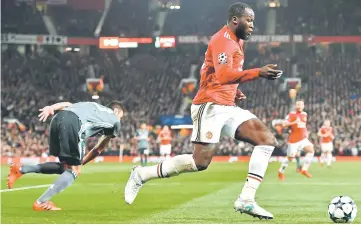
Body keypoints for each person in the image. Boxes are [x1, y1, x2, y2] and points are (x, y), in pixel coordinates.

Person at [124, 2, 283, 220]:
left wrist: (234, 91)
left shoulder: (236, 41)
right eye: (249, 20)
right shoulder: (223, 41)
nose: (252, 26)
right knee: (200, 163)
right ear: (235, 20)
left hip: (227, 105)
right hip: (209, 106)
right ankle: (142, 174)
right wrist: (258, 72)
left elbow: (210, 71)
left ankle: (246, 199)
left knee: (266, 140)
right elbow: (224, 75)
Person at [7, 101, 124, 211]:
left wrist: (51, 108)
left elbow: (68, 104)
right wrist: (81, 163)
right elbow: (99, 148)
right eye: (121, 117)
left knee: (66, 167)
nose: (120, 120)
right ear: (116, 111)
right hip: (73, 124)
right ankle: (41, 202)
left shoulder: (91, 105)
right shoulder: (115, 121)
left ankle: (21, 169)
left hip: (56, 119)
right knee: (74, 170)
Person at [278, 100, 314, 181]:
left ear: (303, 106)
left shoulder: (305, 114)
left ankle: (304, 169)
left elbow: (303, 126)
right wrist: (294, 122)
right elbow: (284, 125)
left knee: (311, 150)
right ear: (295, 106)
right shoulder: (291, 114)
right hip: (293, 140)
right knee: (290, 158)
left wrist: (306, 133)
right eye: (298, 104)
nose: (299, 106)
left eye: (301, 104)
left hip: (303, 139)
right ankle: (280, 171)